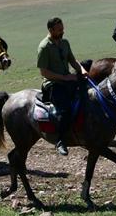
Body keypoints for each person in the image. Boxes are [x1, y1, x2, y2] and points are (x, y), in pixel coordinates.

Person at [37, 17, 88, 156]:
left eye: (62, 28)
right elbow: (44, 72)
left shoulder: (65, 42)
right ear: (51, 30)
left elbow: (72, 59)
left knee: (87, 96)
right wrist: (64, 77)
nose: (62, 31)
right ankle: (60, 140)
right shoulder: (44, 47)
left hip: (68, 79)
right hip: (52, 84)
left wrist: (81, 70)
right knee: (65, 109)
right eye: (59, 30)